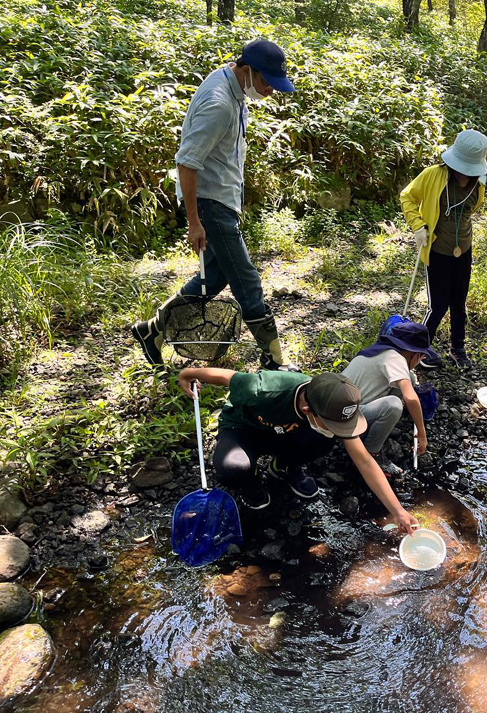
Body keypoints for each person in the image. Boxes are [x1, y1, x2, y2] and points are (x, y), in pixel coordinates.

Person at [132, 39, 299, 372]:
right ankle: (274, 361)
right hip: (211, 205)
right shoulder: (220, 102)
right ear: (248, 70)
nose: (269, 91)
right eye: (266, 82)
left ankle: (152, 331)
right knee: (246, 281)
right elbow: (187, 162)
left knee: (214, 279)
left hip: (222, 198)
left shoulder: (232, 85)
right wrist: (195, 220)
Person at [176, 367, 419, 533]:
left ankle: (283, 467)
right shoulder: (265, 388)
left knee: (324, 439)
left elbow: (364, 461)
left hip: (285, 434)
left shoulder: (336, 402)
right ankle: (251, 482)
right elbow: (226, 376)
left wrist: (397, 511)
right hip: (244, 430)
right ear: (307, 411)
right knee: (234, 468)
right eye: (333, 423)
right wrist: (187, 374)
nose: (339, 428)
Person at [400, 130, 487, 370]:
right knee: (438, 305)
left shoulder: (479, 182)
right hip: (437, 250)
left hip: (464, 249)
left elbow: (473, 210)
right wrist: (418, 226)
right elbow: (407, 197)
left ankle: (458, 348)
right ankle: (420, 349)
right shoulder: (433, 175)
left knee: (459, 302)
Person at [342, 321, 436, 477]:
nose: (420, 360)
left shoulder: (382, 351)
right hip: (345, 418)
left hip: (346, 409)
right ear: (412, 352)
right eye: (420, 356)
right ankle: (371, 454)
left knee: (410, 380)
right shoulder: (395, 357)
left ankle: (370, 435)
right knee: (393, 405)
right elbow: (411, 398)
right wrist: (422, 433)